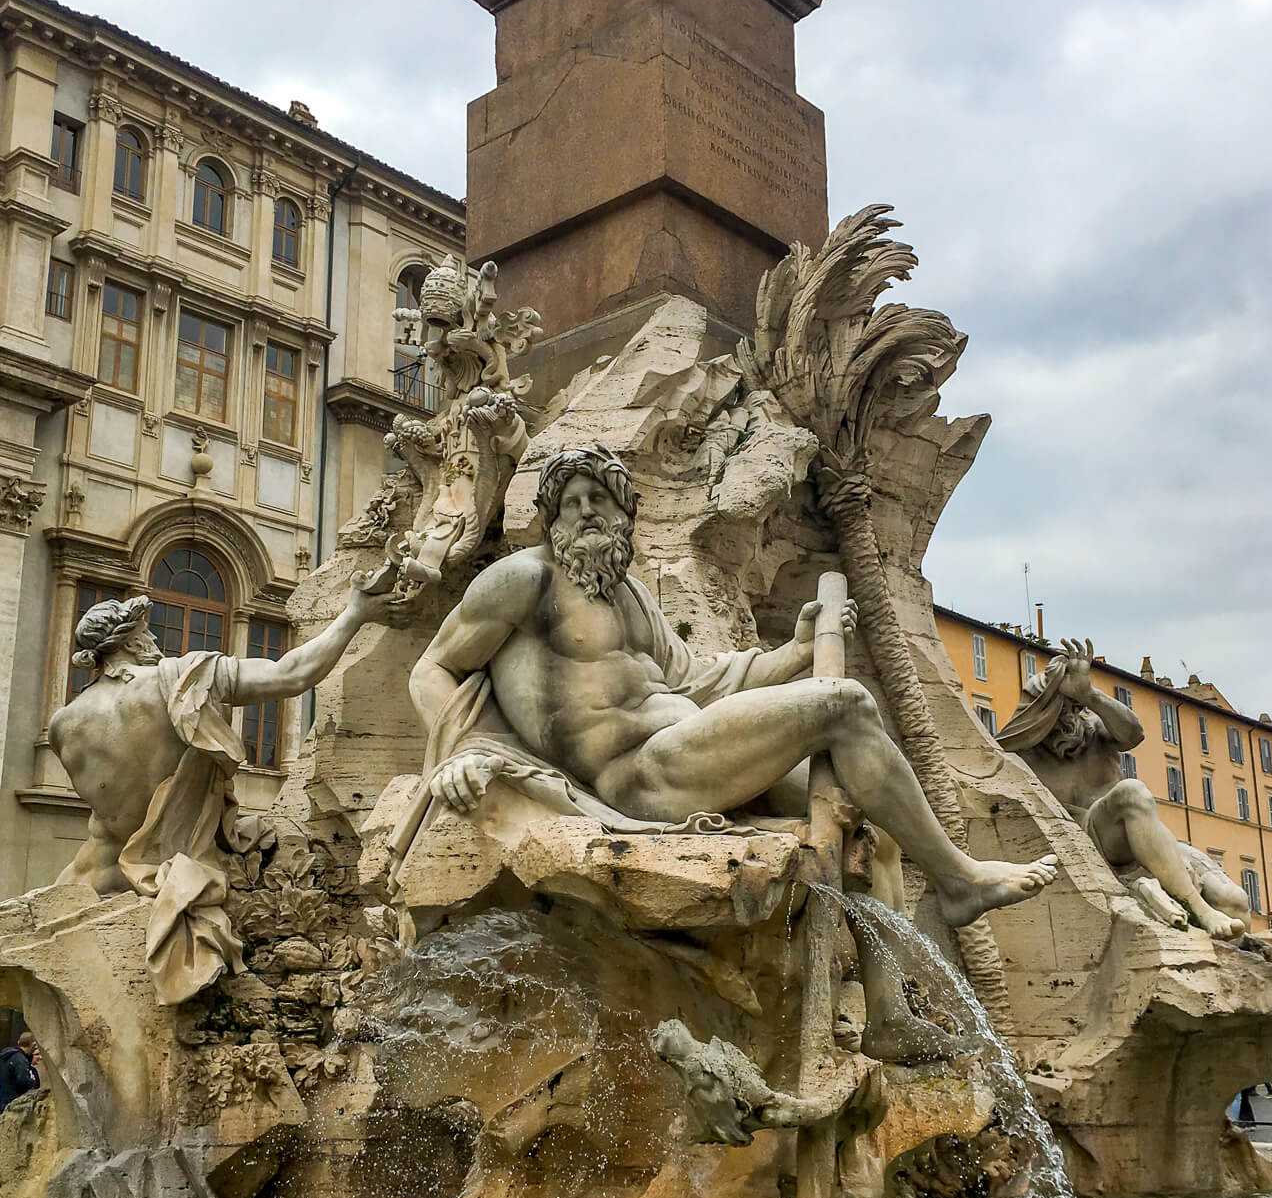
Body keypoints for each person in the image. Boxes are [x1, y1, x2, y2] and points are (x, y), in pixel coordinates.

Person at [410, 446, 1059, 939]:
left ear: (623, 513)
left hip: (689, 747)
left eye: (598, 499)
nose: (584, 512)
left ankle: (885, 1015)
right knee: (846, 704)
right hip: (640, 776)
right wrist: (461, 752)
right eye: (569, 502)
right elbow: (432, 669)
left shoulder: (632, 595)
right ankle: (959, 879)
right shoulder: (524, 581)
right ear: (550, 519)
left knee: (877, 827)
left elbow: (700, 679)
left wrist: (797, 651)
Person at [50, 569, 395, 1003]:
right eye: (148, 634)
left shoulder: (64, 723)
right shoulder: (180, 679)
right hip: (177, 876)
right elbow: (292, 675)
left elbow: (112, 804)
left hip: (91, 885)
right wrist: (355, 613)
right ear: (133, 641)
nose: (156, 642)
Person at [997, 638, 1249, 940]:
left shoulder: (1098, 733)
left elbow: (1134, 733)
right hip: (1095, 841)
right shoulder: (1024, 757)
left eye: (1073, 709)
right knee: (1131, 791)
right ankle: (1198, 908)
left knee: (1236, 903)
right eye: (1058, 710)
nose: (1069, 718)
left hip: (1145, 836)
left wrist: (1089, 694)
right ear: (1039, 716)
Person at [0, 1030, 40, 1114]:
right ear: (32, 1044)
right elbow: (22, 1081)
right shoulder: (20, 1059)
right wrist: (32, 1081)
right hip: (14, 1103)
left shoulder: (9, 1056)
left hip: (5, 1100)